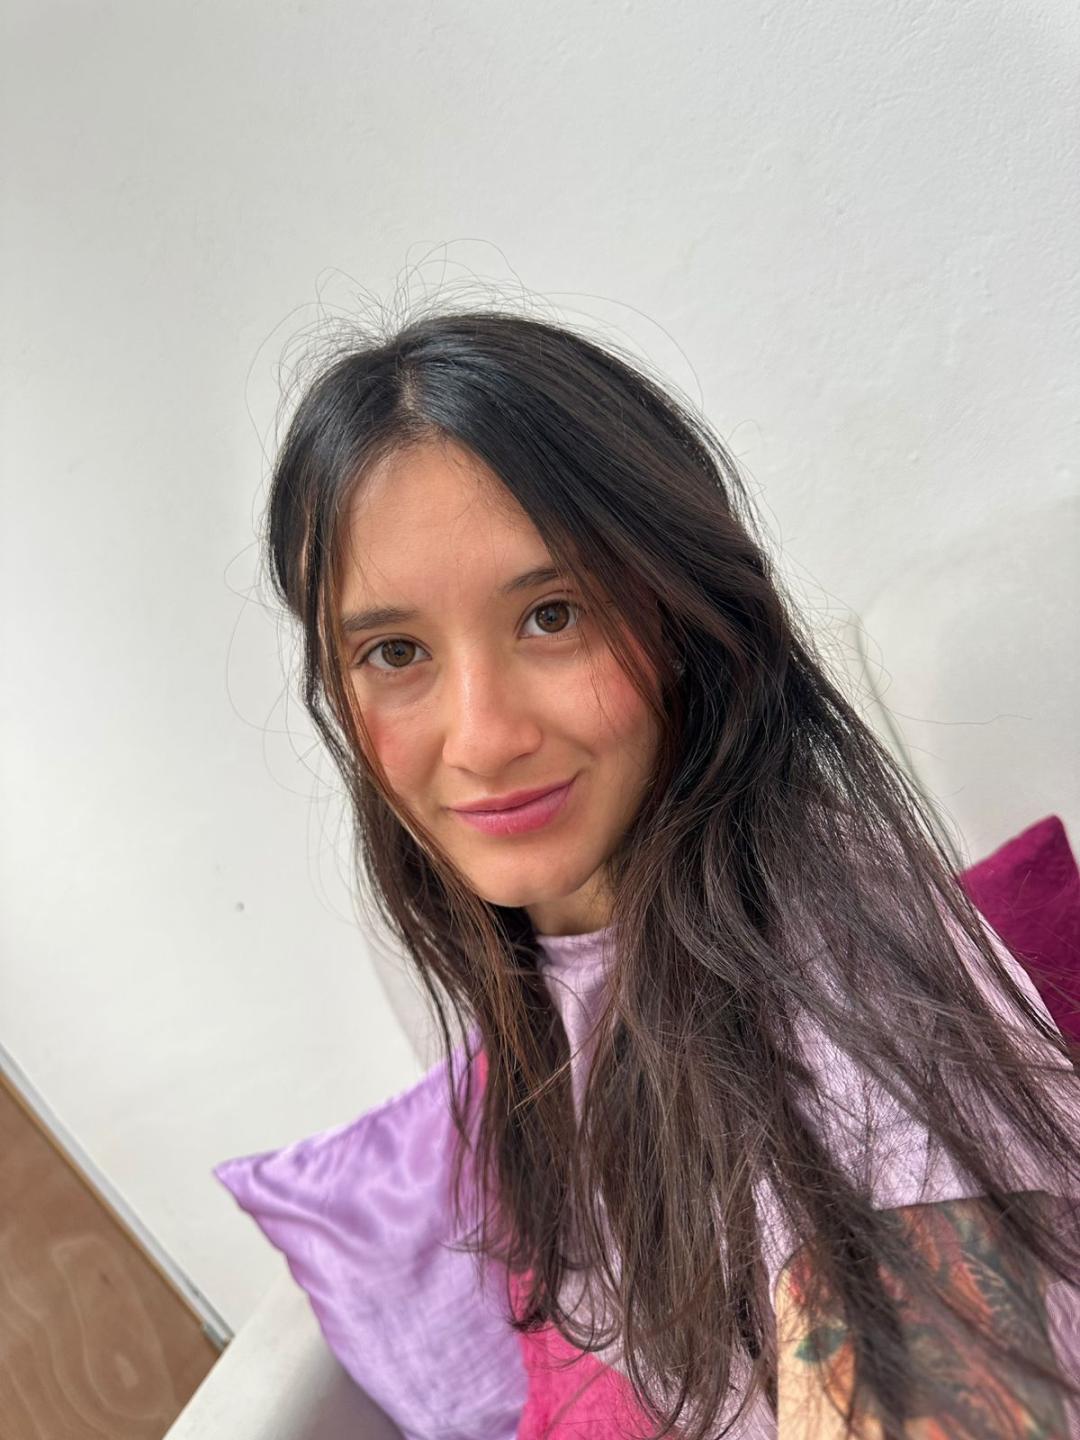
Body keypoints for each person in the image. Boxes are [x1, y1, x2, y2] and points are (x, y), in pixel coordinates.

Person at [260, 307, 1080, 1439]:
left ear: (681, 620)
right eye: (395, 652)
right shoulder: (567, 945)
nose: (483, 738)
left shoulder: (826, 986)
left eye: (552, 616)